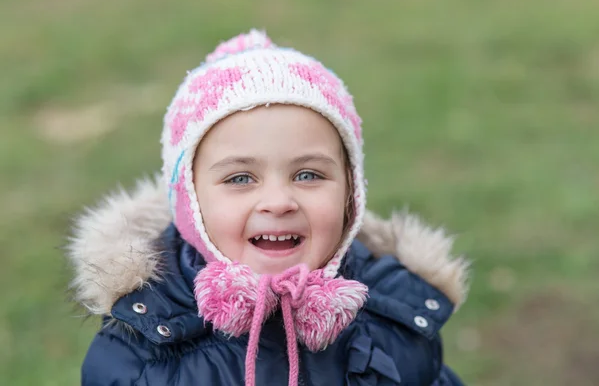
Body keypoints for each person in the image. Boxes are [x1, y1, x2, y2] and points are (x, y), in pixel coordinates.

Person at [68, 29, 469, 385]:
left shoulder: (397, 320)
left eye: (309, 175)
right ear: (190, 202)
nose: (279, 202)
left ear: (351, 194)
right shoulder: (141, 352)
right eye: (240, 178)